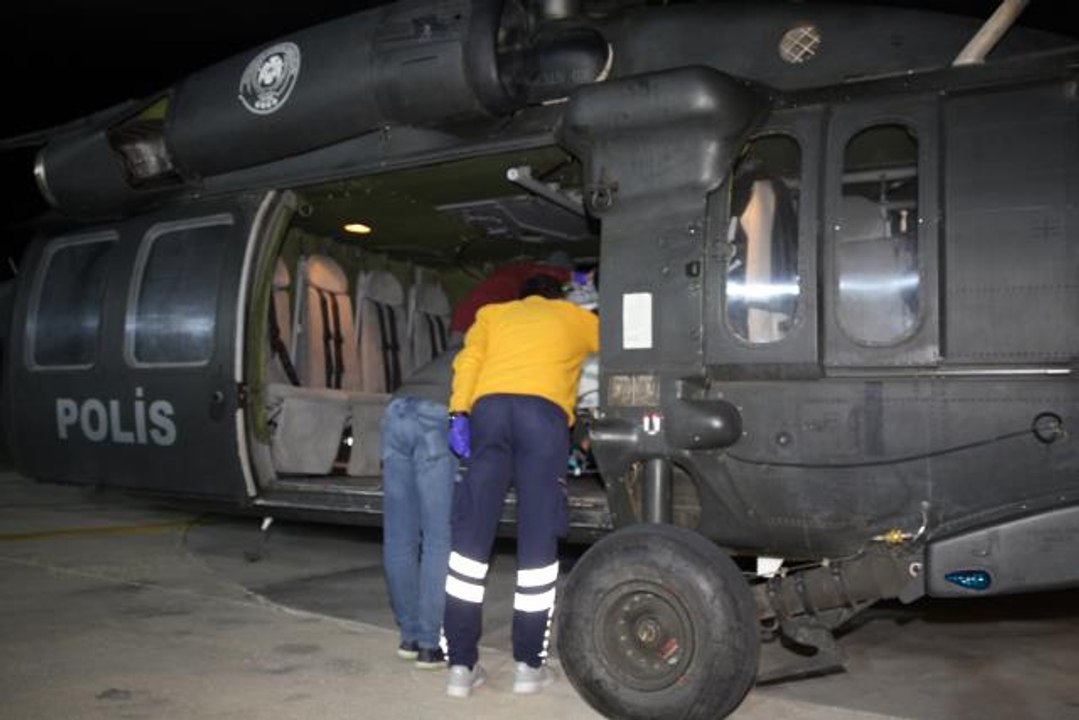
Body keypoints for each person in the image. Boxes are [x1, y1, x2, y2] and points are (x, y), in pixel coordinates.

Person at [441, 273, 599, 698]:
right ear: (557, 296)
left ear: (523, 296)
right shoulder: (573, 316)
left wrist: (459, 413)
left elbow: (467, 362)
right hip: (542, 419)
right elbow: (618, 345)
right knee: (537, 541)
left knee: (470, 545)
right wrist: (593, 302)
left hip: (489, 412)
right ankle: (528, 666)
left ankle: (459, 665)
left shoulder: (493, 314)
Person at [379, 345, 460, 669]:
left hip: (395, 411)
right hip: (435, 417)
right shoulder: (495, 349)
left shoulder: (451, 350)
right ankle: (430, 643)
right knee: (438, 538)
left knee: (399, 537)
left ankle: (409, 637)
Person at [448, 251, 573, 338]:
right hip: (480, 320)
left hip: (464, 318)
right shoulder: (521, 269)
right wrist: (584, 277)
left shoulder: (501, 279)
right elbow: (561, 273)